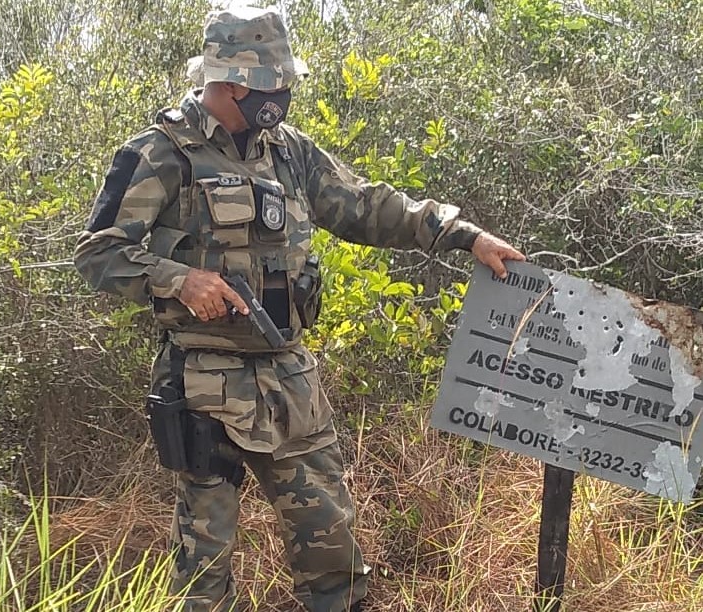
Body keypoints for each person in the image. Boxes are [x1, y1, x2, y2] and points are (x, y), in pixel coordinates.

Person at [73, 6, 525, 612]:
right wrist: (179, 280)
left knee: (333, 549)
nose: (283, 93)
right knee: (204, 569)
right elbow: (98, 252)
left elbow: (366, 207)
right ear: (233, 82)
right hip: (204, 385)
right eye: (274, 82)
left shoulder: (288, 152)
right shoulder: (159, 154)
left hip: (289, 380)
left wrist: (464, 235)